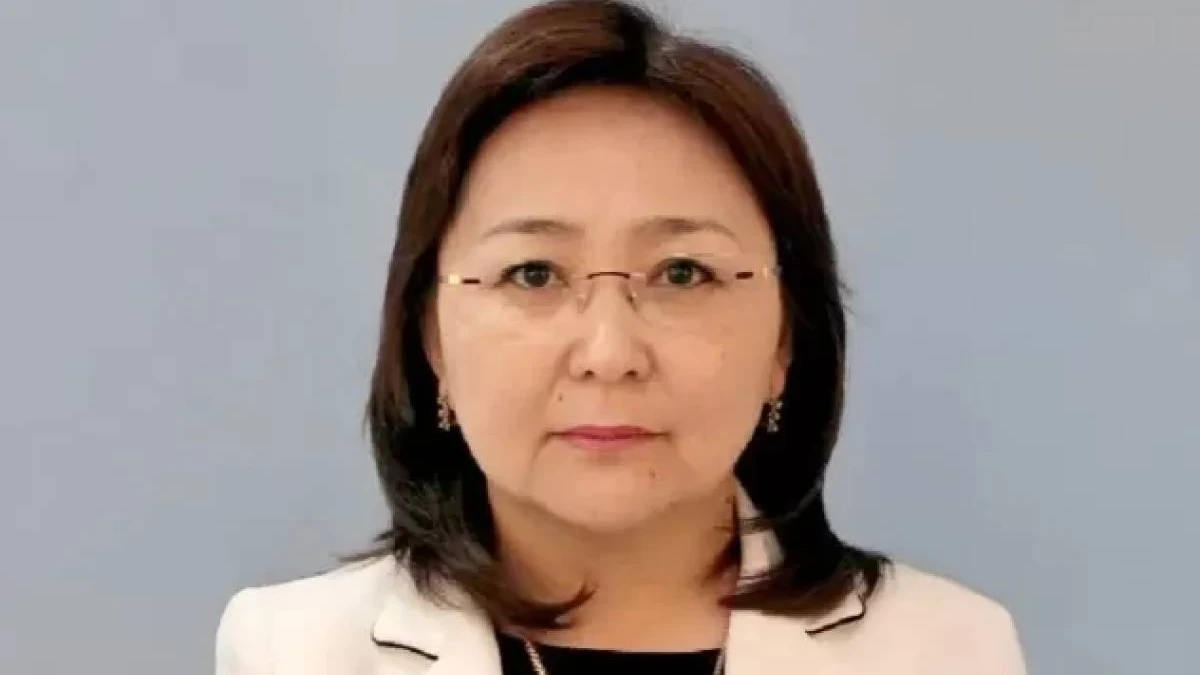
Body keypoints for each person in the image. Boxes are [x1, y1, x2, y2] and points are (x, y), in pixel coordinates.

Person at [215, 1, 1027, 673]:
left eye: (682, 273)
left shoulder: (947, 650)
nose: (608, 353)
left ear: (786, 338)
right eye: (534, 273)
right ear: (431, 338)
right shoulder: (295, 651)